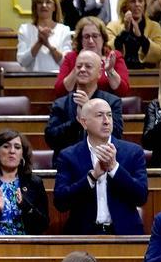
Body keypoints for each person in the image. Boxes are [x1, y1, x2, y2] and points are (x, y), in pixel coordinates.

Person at [54, 98, 149, 235]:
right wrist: (92, 177)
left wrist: (114, 168)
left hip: (124, 235)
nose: (106, 121)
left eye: (109, 115)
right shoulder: (68, 156)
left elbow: (141, 196)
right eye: (99, 115)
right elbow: (61, 202)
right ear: (84, 122)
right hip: (83, 235)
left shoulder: (133, 152)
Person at [0, 129, 50, 235]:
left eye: (17, 147)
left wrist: (26, 206)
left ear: (22, 155)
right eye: (6, 146)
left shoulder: (34, 183)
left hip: (27, 246)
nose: (12, 151)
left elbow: (44, 224)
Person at [46, 49, 125, 151]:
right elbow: (51, 139)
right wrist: (77, 121)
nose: (82, 69)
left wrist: (90, 109)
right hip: (68, 162)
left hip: (102, 159)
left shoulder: (112, 102)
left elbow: (116, 135)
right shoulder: (60, 103)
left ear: (99, 73)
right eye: (78, 66)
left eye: (88, 66)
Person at [53, 16, 130, 98]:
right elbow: (59, 91)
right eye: (86, 37)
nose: (91, 41)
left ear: (103, 38)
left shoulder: (113, 56)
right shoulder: (71, 57)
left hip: (107, 106)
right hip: (77, 105)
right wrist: (78, 66)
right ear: (80, 40)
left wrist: (110, 70)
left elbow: (123, 92)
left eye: (95, 36)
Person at [17, 0, 73, 72]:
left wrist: (49, 45)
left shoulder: (64, 30)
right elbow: (22, 62)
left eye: (48, 2)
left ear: (54, 7)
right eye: (39, 2)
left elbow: (66, 63)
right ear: (35, 7)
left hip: (57, 81)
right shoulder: (25, 29)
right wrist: (39, 42)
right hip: (32, 81)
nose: (44, 5)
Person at [108, 0, 161, 69]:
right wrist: (124, 32)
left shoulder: (154, 26)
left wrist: (141, 37)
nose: (137, 4)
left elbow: (160, 54)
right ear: (125, 5)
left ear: (144, 5)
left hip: (146, 74)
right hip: (119, 73)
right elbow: (108, 50)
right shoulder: (113, 26)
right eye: (133, 1)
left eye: (140, 1)